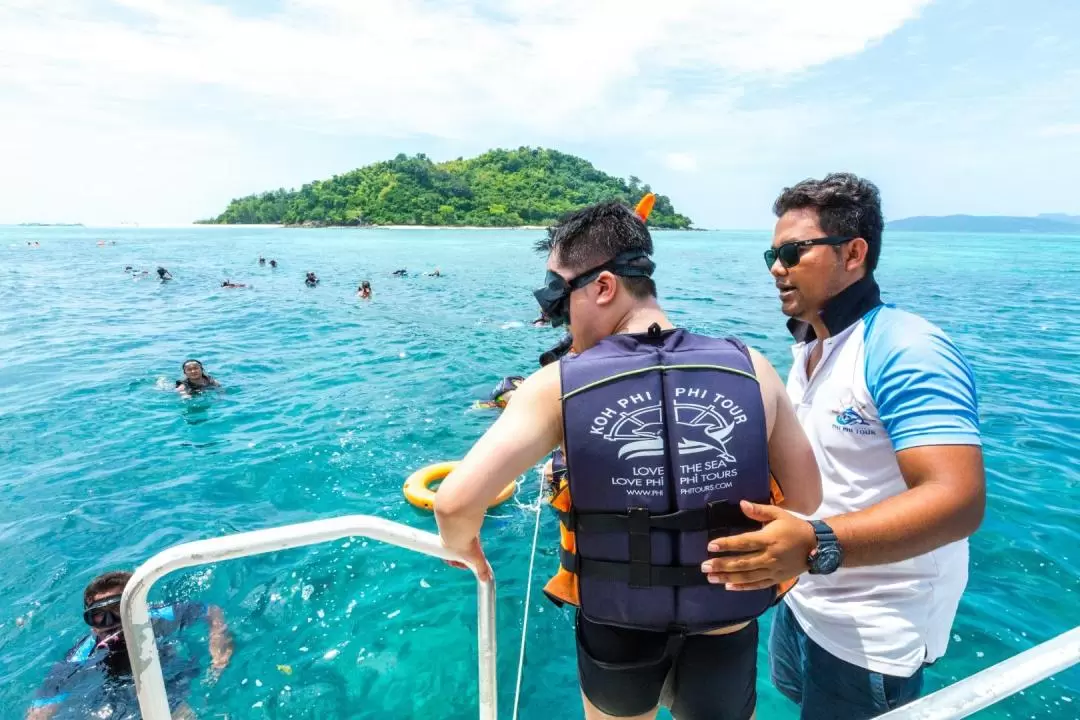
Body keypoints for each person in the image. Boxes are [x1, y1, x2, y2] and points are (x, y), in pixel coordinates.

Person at [434, 201, 821, 720]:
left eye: (558, 297)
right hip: (726, 620)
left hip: (618, 629)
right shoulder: (751, 366)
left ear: (603, 287)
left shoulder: (556, 386)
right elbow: (807, 497)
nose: (557, 317)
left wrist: (469, 555)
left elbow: (454, 504)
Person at [703, 173, 985, 720]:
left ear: (854, 252)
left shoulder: (906, 347)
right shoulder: (812, 347)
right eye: (771, 252)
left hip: (875, 627)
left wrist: (815, 543)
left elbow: (959, 500)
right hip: (805, 598)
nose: (776, 267)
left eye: (792, 251)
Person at [26, 571, 233, 720]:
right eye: (99, 616)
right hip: (110, 690)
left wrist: (219, 647)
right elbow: (39, 711)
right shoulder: (80, 658)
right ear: (90, 622)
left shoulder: (161, 617)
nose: (111, 623)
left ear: (138, 606)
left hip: (168, 674)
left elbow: (210, 611)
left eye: (119, 610)